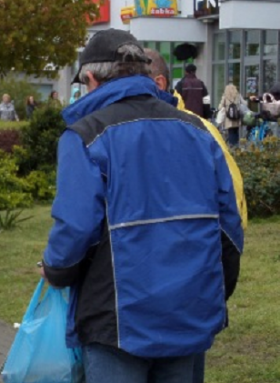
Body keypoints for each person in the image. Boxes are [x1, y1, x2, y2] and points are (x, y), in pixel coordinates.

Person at [41, 29, 243, 383]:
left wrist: (55, 271)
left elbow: (74, 230)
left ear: (90, 78)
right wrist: (211, 291)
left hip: (117, 323)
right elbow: (229, 227)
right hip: (187, 313)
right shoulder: (198, 130)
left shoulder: (85, 135)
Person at [145, 47, 248, 383]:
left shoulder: (200, 132)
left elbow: (232, 212)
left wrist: (217, 288)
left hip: (185, 296)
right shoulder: (121, 129)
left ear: (159, 82)